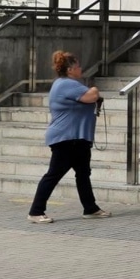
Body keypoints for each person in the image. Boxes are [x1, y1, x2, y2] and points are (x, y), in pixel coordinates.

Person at [27, 50, 110, 223]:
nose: (81, 69)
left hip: (76, 138)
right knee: (54, 174)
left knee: (83, 173)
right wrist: (95, 89)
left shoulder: (65, 84)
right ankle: (36, 211)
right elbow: (91, 96)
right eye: (78, 66)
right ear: (70, 69)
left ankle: (90, 208)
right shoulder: (66, 84)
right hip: (66, 139)